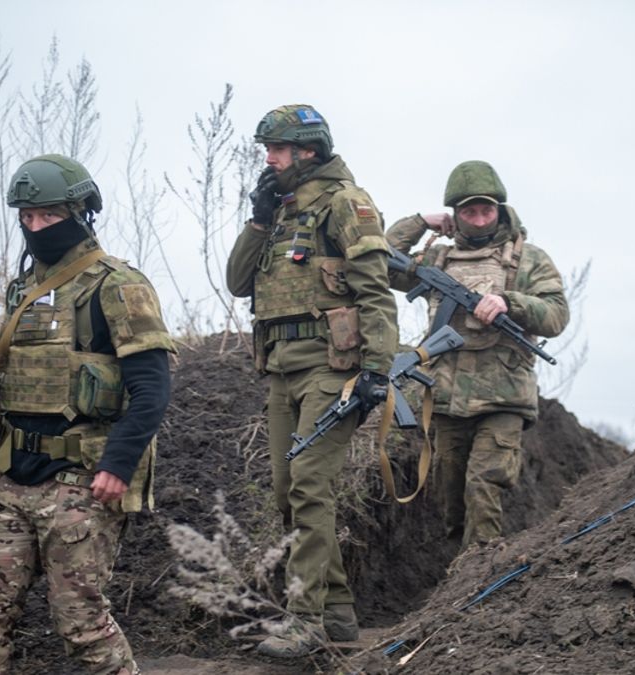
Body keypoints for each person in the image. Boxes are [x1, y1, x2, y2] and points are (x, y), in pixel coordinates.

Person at [0, 154, 175, 675]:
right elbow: (7, 390)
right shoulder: (23, 290)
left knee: (80, 624)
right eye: (27, 218)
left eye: (49, 217)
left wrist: (118, 465)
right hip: (9, 481)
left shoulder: (117, 285)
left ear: (81, 213)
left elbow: (152, 387)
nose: (36, 228)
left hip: (79, 483)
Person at [226, 104, 398, 658]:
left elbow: (375, 291)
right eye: (267, 151)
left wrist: (378, 367)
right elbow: (236, 281)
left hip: (332, 367)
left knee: (307, 485)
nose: (269, 160)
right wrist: (257, 220)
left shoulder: (347, 203)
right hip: (280, 368)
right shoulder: (278, 210)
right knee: (287, 492)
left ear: (308, 152)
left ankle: (305, 621)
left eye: (276, 150)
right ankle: (340, 614)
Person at [386, 160, 569, 550]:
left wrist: (509, 302)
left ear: (500, 210)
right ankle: (457, 581)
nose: (481, 219)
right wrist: (419, 222)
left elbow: (556, 315)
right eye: (470, 211)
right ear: (455, 216)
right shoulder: (437, 258)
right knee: (450, 497)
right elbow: (380, 261)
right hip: (447, 397)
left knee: (483, 485)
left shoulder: (528, 258)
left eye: (488, 210)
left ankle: (480, 575)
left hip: (504, 396)